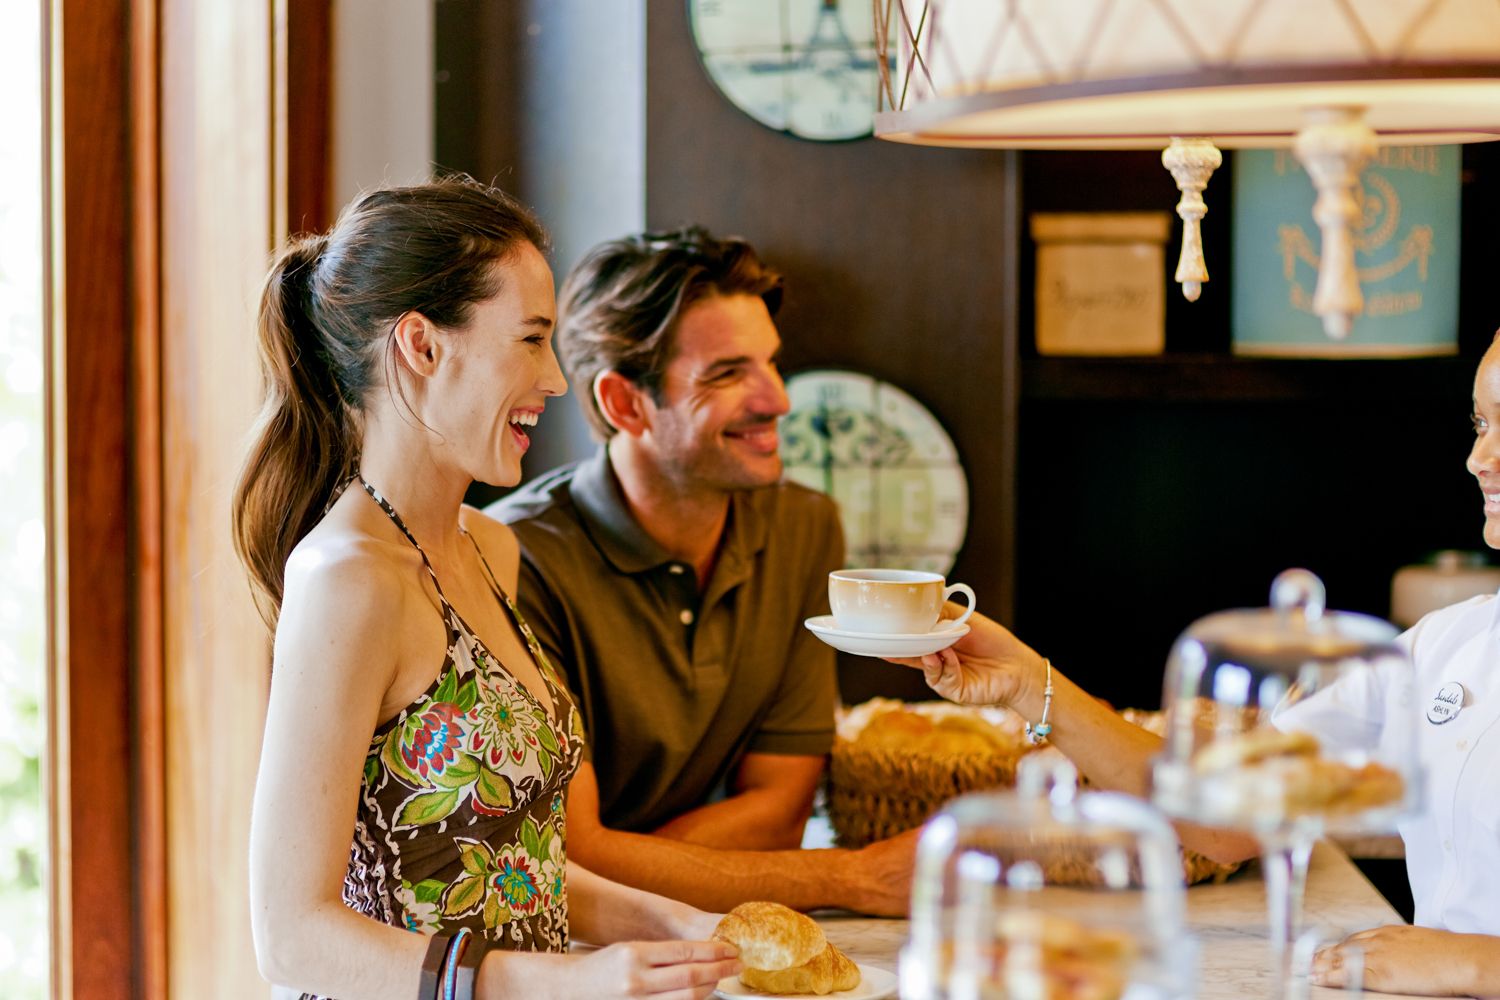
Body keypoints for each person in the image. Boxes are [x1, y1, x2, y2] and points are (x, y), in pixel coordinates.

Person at [232, 179, 740, 1000]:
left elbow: (508, 865)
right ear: (423, 346)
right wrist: (565, 984)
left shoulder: (490, 548)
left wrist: (678, 925)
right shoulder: (348, 581)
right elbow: (291, 938)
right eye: (531, 340)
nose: (556, 380)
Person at [887, 335, 1500, 997]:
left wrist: (1471, 962)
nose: (1479, 458)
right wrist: (1030, 682)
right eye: (1482, 422)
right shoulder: (1443, 645)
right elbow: (1227, 819)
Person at [487, 227, 913, 916]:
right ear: (625, 404)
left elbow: (779, 811)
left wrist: (642, 865)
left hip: (706, 933)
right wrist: (853, 878)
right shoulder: (514, 558)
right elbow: (572, 855)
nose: (778, 399)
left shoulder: (806, 528)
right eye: (727, 372)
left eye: (771, 362)